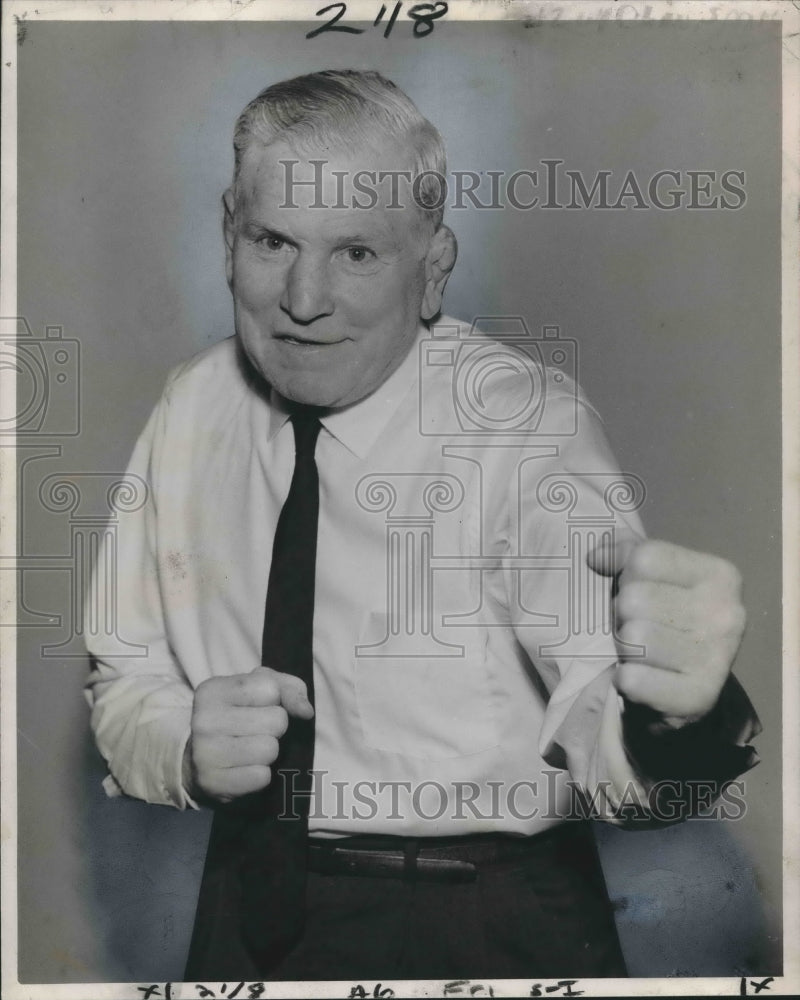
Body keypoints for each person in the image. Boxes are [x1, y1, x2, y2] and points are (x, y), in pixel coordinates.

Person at [85, 69, 760, 982]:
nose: (303, 297)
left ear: (432, 269)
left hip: (481, 917)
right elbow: (125, 676)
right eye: (273, 241)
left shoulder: (524, 425)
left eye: (357, 253)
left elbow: (601, 714)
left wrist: (678, 720)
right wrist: (181, 746)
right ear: (227, 236)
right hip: (243, 903)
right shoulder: (191, 407)